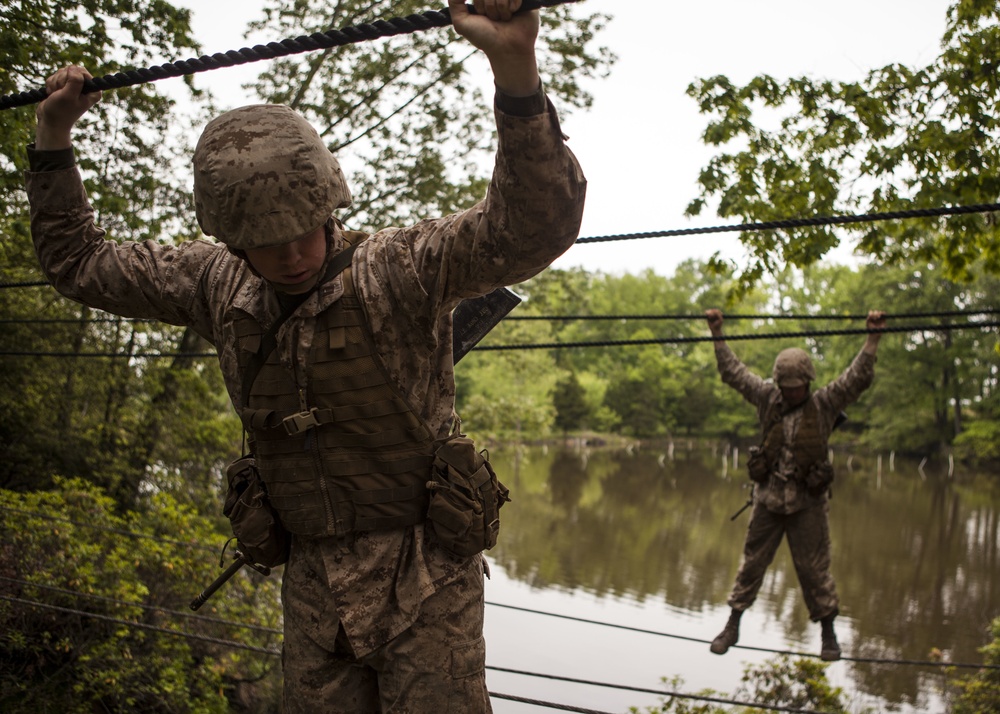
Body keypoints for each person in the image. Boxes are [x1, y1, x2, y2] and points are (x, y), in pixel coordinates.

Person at [25, 1, 586, 710]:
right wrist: (53, 134)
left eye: (302, 231)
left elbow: (531, 228)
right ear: (230, 240)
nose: (290, 254)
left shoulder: (398, 269)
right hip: (316, 595)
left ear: (328, 208)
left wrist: (515, 68)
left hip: (426, 585)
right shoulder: (215, 286)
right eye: (265, 241)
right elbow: (76, 260)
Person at [704, 308, 886, 661]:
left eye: (797, 388)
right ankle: (733, 625)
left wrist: (873, 337)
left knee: (814, 568)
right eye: (785, 388)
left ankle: (828, 634)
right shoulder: (766, 398)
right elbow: (733, 373)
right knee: (752, 563)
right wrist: (717, 333)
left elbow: (857, 378)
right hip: (768, 499)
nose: (790, 393)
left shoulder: (825, 403)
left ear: (808, 382)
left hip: (808, 504)